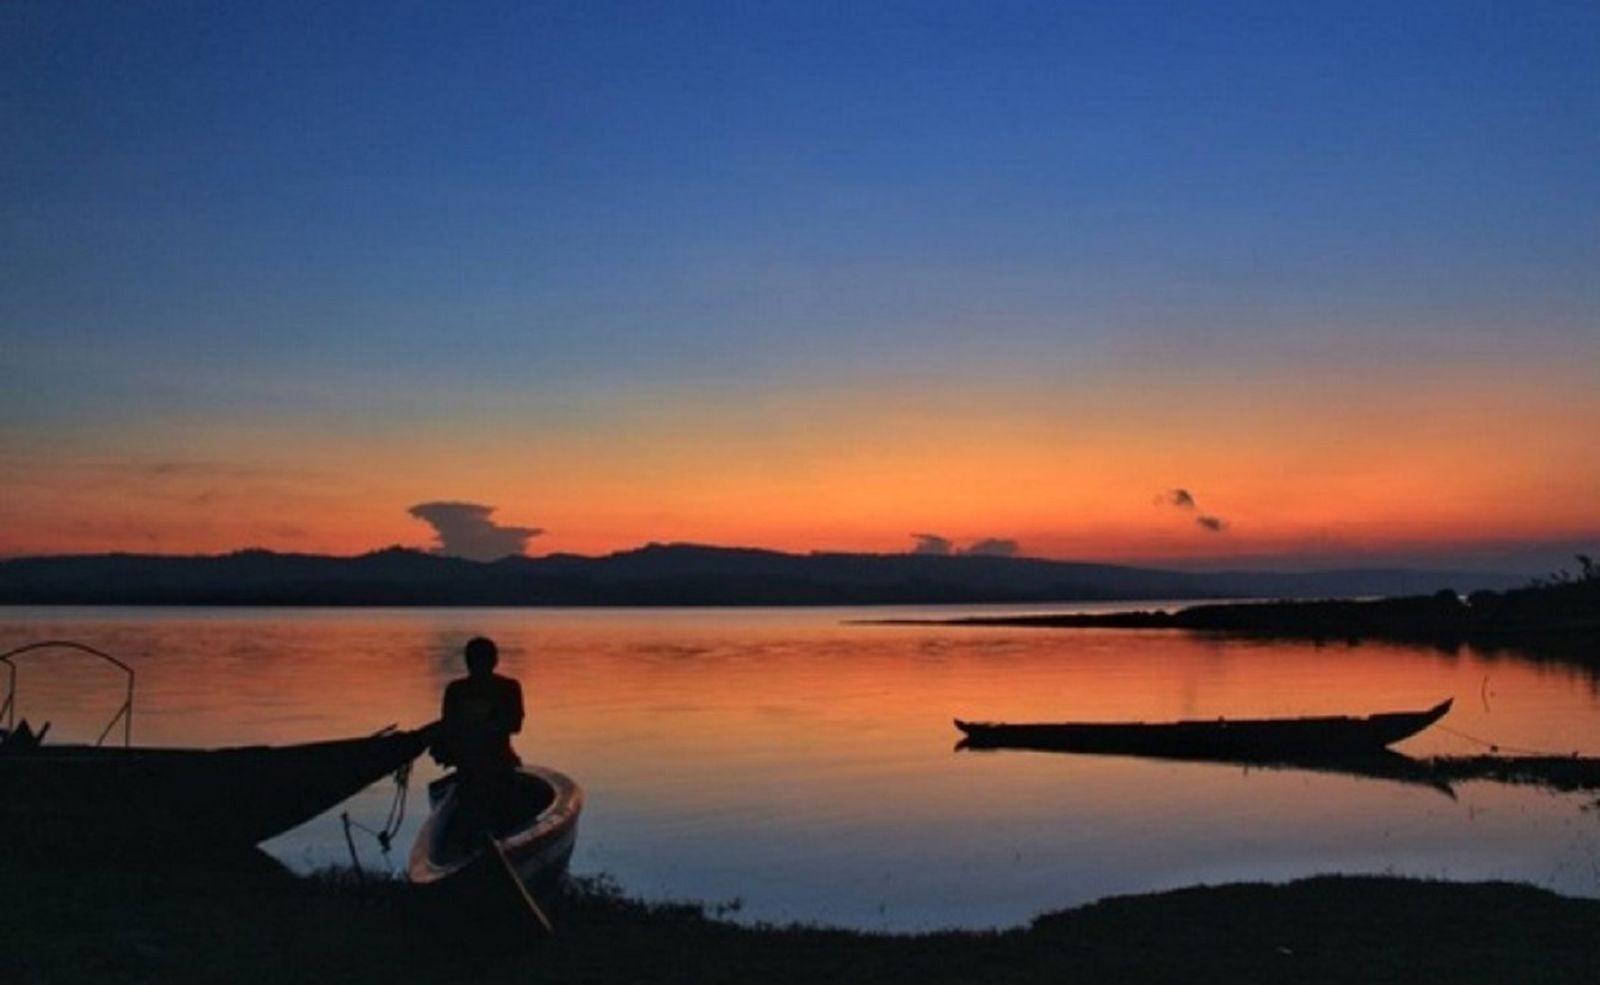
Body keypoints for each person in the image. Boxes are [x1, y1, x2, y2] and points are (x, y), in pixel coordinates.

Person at [434, 636, 524, 820]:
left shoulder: (506, 687)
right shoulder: (458, 690)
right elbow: (515, 725)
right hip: (476, 767)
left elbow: (514, 725)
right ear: (495, 661)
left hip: (494, 765)